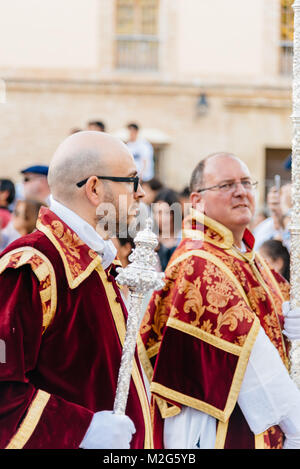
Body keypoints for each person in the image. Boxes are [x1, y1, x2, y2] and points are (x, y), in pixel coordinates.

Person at [0, 131, 153, 449]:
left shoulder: (97, 262)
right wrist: (81, 429)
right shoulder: (31, 267)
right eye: (131, 181)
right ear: (95, 188)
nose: (140, 195)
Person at [140, 152, 300, 449]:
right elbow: (251, 351)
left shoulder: (247, 256)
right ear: (197, 201)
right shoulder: (199, 261)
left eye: (246, 182)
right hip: (226, 427)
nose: (241, 191)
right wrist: (296, 425)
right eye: (226, 185)